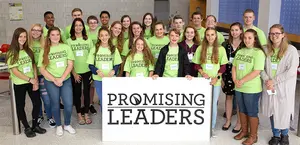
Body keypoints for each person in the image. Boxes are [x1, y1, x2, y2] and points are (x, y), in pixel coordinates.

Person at [261, 24, 299, 145]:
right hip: (270, 86)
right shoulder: (265, 49)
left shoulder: (291, 50)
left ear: (283, 35)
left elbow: (292, 71)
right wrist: (267, 80)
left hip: (284, 87)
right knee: (272, 111)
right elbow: (260, 68)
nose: (274, 36)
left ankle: (285, 135)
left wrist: (274, 81)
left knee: (284, 111)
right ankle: (276, 135)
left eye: (277, 33)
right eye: (272, 33)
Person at [6, 27, 46, 137]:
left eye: (24, 36)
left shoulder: (29, 50)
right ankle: (26, 127)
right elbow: (14, 71)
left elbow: (33, 65)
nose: (23, 38)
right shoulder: (11, 53)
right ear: (16, 37)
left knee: (37, 103)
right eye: (20, 36)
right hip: (20, 83)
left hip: (31, 81)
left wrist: (35, 80)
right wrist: (29, 79)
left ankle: (34, 125)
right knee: (20, 106)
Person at [38, 27, 76, 136]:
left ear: (60, 36)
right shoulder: (44, 50)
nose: (55, 37)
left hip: (66, 79)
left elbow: (70, 64)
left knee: (68, 104)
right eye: (53, 35)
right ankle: (59, 125)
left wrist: (62, 78)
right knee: (55, 104)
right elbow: (42, 69)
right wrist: (54, 79)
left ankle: (67, 124)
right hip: (51, 81)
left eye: (57, 34)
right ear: (49, 36)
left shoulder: (66, 47)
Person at [192, 27, 228, 137]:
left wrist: (216, 77)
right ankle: (200, 125)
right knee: (201, 103)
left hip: (215, 82)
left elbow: (223, 66)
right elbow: (196, 64)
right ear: (205, 36)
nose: (210, 37)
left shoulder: (221, 49)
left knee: (213, 104)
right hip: (202, 81)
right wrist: (202, 73)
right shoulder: (200, 48)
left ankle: (211, 127)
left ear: (216, 36)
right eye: (208, 35)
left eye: (212, 34)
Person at [232, 29, 266, 145]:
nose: (247, 40)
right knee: (241, 110)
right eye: (245, 38)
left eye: (250, 38)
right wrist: (235, 80)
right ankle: (244, 131)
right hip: (239, 87)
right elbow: (234, 67)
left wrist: (241, 80)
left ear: (255, 39)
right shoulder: (240, 51)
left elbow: (257, 71)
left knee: (251, 112)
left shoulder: (258, 53)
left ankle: (253, 136)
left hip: (251, 88)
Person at [86, 27, 122, 110]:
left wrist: (114, 70)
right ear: (99, 37)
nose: (104, 37)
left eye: (106, 35)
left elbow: (117, 64)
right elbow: (90, 65)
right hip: (99, 79)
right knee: (103, 99)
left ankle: (111, 117)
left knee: (111, 99)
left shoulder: (113, 49)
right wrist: (97, 71)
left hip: (110, 78)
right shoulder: (94, 49)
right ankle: (105, 117)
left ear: (109, 36)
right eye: (101, 35)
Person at [28, 23, 56, 128]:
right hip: (32, 76)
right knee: (36, 99)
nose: (36, 32)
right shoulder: (27, 44)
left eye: (38, 30)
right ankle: (39, 116)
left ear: (41, 32)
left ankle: (50, 116)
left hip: (44, 75)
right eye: (34, 30)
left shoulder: (45, 44)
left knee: (47, 99)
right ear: (30, 31)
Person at [67, 18, 93, 125]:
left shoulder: (88, 40)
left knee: (86, 93)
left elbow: (92, 56)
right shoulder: (69, 41)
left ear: (83, 27)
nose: (78, 27)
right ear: (73, 27)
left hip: (87, 71)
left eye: (80, 25)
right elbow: (69, 59)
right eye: (76, 25)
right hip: (75, 72)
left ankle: (86, 113)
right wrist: (74, 73)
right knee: (77, 94)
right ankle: (79, 114)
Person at [221, 22, 243, 133]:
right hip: (227, 75)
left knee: (239, 100)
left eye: (236, 30)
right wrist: (221, 79)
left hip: (240, 76)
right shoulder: (225, 44)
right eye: (232, 30)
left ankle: (239, 123)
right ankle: (228, 120)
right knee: (228, 98)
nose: (234, 32)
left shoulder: (244, 44)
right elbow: (221, 62)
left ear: (241, 31)